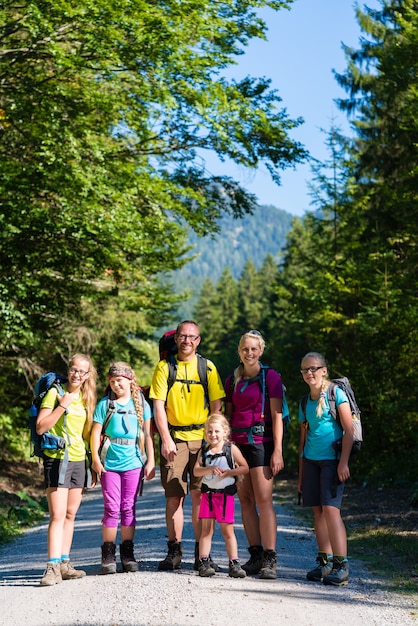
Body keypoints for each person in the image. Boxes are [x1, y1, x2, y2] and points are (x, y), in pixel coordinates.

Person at [149, 320, 225, 571]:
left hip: (203, 441)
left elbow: (216, 406)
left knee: (201, 497)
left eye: (192, 337)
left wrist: (214, 441)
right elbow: (158, 406)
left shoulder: (207, 367)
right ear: (176, 339)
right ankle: (174, 551)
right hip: (175, 439)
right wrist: (166, 438)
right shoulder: (164, 367)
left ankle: (201, 555)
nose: (187, 341)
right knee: (174, 497)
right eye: (183, 336)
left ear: (198, 340)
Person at [224, 330, 284, 579]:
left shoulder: (270, 377)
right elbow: (227, 415)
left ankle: (270, 558)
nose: (249, 353)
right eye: (245, 349)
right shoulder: (232, 380)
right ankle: (256, 555)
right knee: (245, 501)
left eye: (254, 349)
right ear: (239, 351)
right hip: (237, 445)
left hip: (262, 443)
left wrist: (278, 450)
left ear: (261, 350)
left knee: (264, 500)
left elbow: (277, 415)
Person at [37, 353, 97, 586]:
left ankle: (64, 563)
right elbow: (41, 427)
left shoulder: (86, 397)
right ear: (68, 369)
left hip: (78, 460)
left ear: (88, 375)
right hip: (58, 459)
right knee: (57, 516)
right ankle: (51, 567)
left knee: (70, 515)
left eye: (82, 371)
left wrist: (93, 462)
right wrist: (62, 405)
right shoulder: (56, 392)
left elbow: (86, 434)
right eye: (74, 369)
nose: (77, 374)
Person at [90, 362, 155, 574]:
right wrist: (95, 460)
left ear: (130, 380)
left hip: (134, 462)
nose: (116, 385)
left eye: (120, 380)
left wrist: (151, 461)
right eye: (112, 381)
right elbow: (94, 433)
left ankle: (128, 553)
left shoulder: (141, 405)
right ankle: (108, 554)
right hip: (109, 462)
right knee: (111, 507)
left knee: (128, 507)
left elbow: (148, 435)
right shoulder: (104, 404)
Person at [297, 351, 354, 586]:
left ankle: (342, 565)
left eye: (314, 368)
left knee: (331, 511)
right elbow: (302, 441)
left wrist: (343, 462)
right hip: (311, 461)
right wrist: (300, 475)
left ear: (324, 371)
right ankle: (325, 561)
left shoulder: (336, 394)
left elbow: (349, 431)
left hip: (332, 461)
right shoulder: (304, 402)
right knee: (317, 511)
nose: (309, 373)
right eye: (305, 369)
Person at [193, 414, 249, 578]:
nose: (213, 435)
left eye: (217, 431)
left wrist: (230, 473)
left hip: (225, 497)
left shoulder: (230, 449)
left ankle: (234, 562)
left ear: (225, 431)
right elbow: (196, 471)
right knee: (206, 530)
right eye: (209, 431)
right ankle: (203, 561)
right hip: (208, 496)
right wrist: (209, 469)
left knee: (227, 531)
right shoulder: (204, 451)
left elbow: (245, 467)